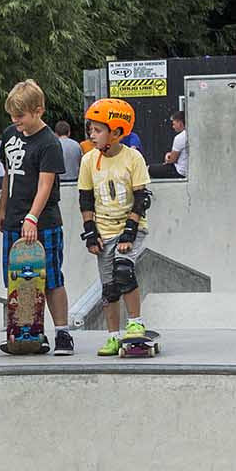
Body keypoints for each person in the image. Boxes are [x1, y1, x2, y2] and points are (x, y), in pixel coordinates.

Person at [0, 80, 75, 354]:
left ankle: (63, 333)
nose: (15, 121)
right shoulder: (9, 135)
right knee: (17, 279)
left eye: (20, 116)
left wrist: (32, 217)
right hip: (13, 218)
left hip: (43, 221)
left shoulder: (49, 143)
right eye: (12, 115)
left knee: (50, 277)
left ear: (38, 110)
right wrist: (2, 208)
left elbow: (45, 185)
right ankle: (27, 332)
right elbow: (9, 173)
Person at [78, 97, 153, 354]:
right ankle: (112, 336)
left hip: (131, 227)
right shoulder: (88, 160)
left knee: (124, 271)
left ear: (117, 132)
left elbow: (142, 198)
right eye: (91, 130)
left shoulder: (133, 158)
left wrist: (130, 231)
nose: (92, 135)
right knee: (109, 288)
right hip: (103, 230)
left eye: (98, 130)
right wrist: (90, 232)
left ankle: (135, 323)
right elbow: (85, 198)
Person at [165, 109, 189, 179]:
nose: (173, 127)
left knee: (149, 169)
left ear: (180, 123)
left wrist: (167, 157)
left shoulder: (180, 137)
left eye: (174, 124)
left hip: (181, 172)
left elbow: (172, 160)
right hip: (190, 171)